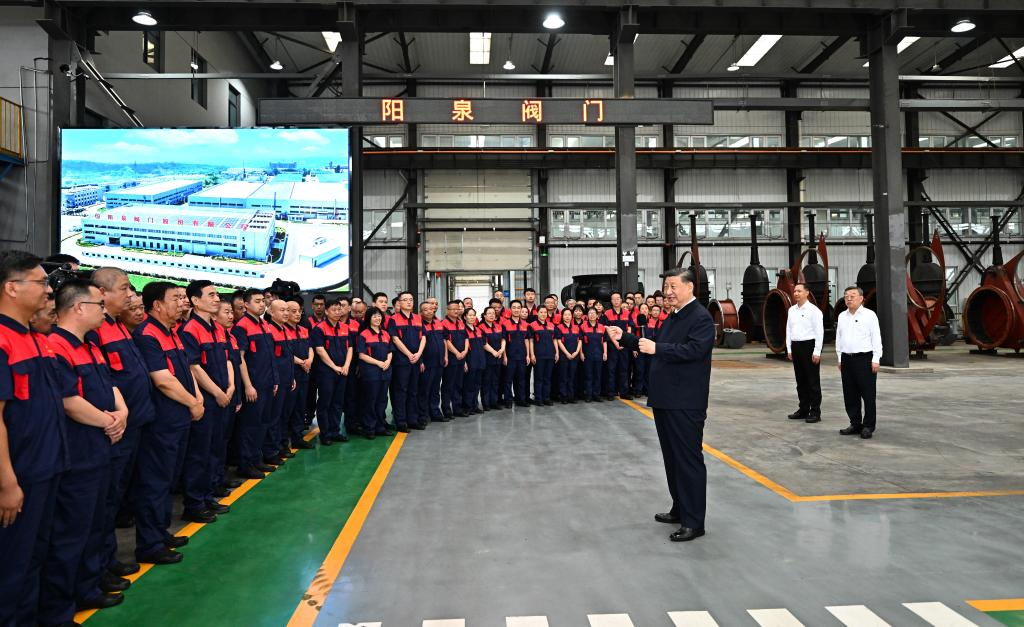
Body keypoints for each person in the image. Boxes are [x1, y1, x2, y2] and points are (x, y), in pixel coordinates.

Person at [40, 279, 127, 621]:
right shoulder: (56, 346)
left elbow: (111, 385)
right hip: (78, 452)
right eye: (99, 305)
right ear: (78, 307)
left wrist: (121, 414)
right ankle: (60, 607)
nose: (104, 311)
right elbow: (68, 401)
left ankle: (88, 587)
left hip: (101, 446)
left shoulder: (89, 345)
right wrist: (109, 421)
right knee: (70, 532)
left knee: (95, 522)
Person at [606, 268, 714, 543]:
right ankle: (680, 508)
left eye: (673, 286)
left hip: (685, 402)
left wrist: (658, 350)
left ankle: (694, 521)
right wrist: (626, 338)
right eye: (666, 286)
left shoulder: (700, 318)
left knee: (688, 460)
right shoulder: (674, 317)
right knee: (672, 459)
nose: (668, 292)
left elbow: (694, 351)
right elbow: (655, 344)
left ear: (689, 287)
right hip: (666, 399)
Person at [0, 251, 68, 627]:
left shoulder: (33, 338)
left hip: (46, 468)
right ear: (11, 287)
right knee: (11, 567)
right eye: (40, 283)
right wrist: (7, 482)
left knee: (33, 557)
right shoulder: (3, 340)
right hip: (20, 474)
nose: (47, 291)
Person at [133, 282, 203, 562]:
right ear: (157, 305)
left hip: (179, 419)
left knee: (167, 479)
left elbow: (184, 370)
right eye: (176, 298)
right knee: (154, 481)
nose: (182, 303)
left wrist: (196, 399)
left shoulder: (172, 332)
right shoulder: (147, 335)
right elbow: (163, 380)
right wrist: (193, 402)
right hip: (162, 422)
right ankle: (149, 544)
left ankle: (161, 533)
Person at [178, 281, 234, 524]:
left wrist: (230, 387)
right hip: (207, 399)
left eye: (217, 294)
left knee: (215, 449)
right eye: (211, 295)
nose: (216, 299)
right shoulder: (190, 329)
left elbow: (227, 359)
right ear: (195, 301)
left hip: (223, 395)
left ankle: (208, 495)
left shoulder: (217, 328)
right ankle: (194, 503)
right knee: (199, 453)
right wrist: (218, 393)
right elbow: (194, 367)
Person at [231, 289, 279, 478]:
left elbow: (270, 356)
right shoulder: (242, 326)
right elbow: (240, 358)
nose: (262, 304)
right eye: (257, 301)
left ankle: (257, 460)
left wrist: (275, 379)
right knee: (250, 426)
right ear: (246, 304)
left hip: (267, 383)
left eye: (262, 301)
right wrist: (249, 385)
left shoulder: (264, 325)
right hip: (254, 385)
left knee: (263, 423)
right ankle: (246, 464)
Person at [835, 286, 883, 439]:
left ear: (861, 298)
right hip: (846, 359)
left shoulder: (870, 315)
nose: (848, 298)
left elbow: (876, 338)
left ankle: (868, 426)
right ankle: (855, 423)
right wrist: (839, 357)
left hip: (864, 359)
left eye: (852, 295)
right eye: (846, 296)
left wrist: (876, 359)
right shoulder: (842, 316)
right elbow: (839, 339)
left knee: (868, 394)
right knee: (850, 393)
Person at [310, 298, 352, 445]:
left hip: (343, 370)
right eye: (333, 309)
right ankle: (325, 433)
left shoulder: (345, 328)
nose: (337, 312)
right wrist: (334, 367)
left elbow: (350, 348)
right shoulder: (319, 329)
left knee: (338, 403)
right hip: (326, 372)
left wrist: (346, 365)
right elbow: (320, 350)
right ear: (326, 311)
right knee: (325, 402)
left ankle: (335, 431)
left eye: (339, 309)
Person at [785, 283, 824, 423]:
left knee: (812, 381)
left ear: (807, 293)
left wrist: (817, 351)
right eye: (795, 291)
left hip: (809, 346)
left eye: (799, 291)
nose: (796, 293)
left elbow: (820, 332)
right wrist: (789, 348)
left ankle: (815, 411)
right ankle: (803, 409)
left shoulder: (814, 311)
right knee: (800, 381)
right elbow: (788, 330)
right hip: (796, 346)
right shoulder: (791, 310)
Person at [387, 291, 425, 432]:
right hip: (402, 361)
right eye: (405, 300)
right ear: (399, 303)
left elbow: (424, 338)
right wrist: (409, 354)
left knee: (413, 391)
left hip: (415, 359)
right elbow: (395, 339)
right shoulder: (394, 319)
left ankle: (412, 420)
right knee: (401, 391)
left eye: (411, 299)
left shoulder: (417, 318)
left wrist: (418, 354)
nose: (409, 302)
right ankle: (401, 422)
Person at [357, 309, 392, 439]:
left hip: (385, 371)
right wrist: (378, 363)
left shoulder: (386, 334)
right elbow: (361, 355)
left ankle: (380, 426)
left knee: (382, 400)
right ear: (368, 319)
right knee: (370, 400)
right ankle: (369, 428)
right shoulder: (364, 334)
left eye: (379, 316)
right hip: (371, 372)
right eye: (374, 316)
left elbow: (390, 351)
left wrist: (388, 361)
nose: (377, 319)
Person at [285, 299, 314, 450]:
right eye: (293, 311)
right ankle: (284, 440)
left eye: (299, 311)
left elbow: (310, 347)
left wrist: (309, 360)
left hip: (304, 372)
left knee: (300, 406)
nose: (297, 314)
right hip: (292, 373)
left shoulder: (303, 329)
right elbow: (285, 353)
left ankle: (298, 437)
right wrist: (302, 363)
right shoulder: (282, 331)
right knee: (288, 408)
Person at [602, 291, 634, 401]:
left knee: (624, 369)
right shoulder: (607, 313)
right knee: (611, 370)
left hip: (624, 346)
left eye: (618, 298)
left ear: (621, 300)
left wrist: (626, 342)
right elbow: (606, 329)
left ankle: (624, 392)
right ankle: (611, 392)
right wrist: (616, 343)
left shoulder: (626, 313)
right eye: (613, 299)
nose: (616, 301)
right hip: (612, 346)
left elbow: (629, 328)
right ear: (611, 301)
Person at [418, 302, 446, 423]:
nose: (429, 311)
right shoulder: (419, 325)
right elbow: (417, 345)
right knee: (424, 390)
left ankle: (435, 412)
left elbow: (443, 340)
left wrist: (445, 356)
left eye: (431, 309)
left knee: (435, 389)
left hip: (439, 362)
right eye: (425, 310)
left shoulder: (438, 323)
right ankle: (423, 415)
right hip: (427, 363)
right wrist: (421, 361)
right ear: (421, 312)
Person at [441, 300, 468, 419]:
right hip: (451, 358)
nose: (456, 311)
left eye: (458, 309)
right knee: (448, 385)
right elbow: (446, 341)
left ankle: (457, 408)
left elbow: (466, 338)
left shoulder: (461, 323)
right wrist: (457, 352)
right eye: (453, 309)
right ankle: (446, 409)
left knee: (458, 384)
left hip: (461, 358)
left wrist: (464, 352)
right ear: (448, 310)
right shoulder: (444, 324)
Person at [502, 300, 530, 408]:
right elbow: (503, 340)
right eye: (514, 307)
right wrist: (504, 356)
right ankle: (508, 400)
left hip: (522, 356)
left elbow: (526, 340)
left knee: (521, 379)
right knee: (508, 379)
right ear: (510, 309)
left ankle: (520, 399)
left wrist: (527, 355)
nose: (516, 309)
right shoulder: (505, 324)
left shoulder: (525, 325)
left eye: (518, 307)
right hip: (510, 356)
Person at [528, 306, 557, 406]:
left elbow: (554, 340)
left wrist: (556, 352)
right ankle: (538, 398)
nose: (543, 314)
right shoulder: (532, 325)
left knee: (547, 378)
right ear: (537, 313)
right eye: (541, 312)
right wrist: (532, 354)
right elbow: (531, 341)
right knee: (539, 378)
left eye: (545, 312)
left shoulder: (551, 325)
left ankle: (546, 398)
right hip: (539, 355)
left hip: (550, 354)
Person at [479, 307, 505, 410]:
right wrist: (493, 352)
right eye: (489, 313)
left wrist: (502, 350)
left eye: (493, 313)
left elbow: (503, 339)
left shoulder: (499, 326)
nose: (491, 315)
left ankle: (494, 402)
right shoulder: (481, 327)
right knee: (486, 381)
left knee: (495, 380)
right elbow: (483, 343)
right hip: (487, 358)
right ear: (484, 315)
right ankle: (486, 403)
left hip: (498, 357)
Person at [579, 307, 607, 403]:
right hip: (587, 355)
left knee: (598, 375)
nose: (592, 315)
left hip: (598, 354)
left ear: (597, 315)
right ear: (587, 315)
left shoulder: (602, 327)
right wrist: (581, 353)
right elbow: (580, 341)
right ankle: (588, 395)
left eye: (593, 313)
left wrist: (605, 353)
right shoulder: (583, 326)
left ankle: (596, 395)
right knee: (588, 375)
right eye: (590, 313)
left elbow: (605, 341)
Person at [633, 304, 661, 397]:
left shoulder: (653, 322)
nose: (644, 310)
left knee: (648, 371)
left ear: (648, 311)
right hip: (639, 349)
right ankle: (638, 390)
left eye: (646, 308)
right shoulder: (636, 321)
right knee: (639, 370)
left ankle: (647, 389)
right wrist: (634, 348)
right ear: (639, 310)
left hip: (650, 349)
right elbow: (633, 337)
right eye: (642, 308)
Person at [555, 308, 582, 404]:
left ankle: (571, 396)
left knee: (572, 376)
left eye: (569, 315)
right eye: (565, 315)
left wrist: (576, 352)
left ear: (572, 316)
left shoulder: (576, 327)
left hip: (575, 355)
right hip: (564, 356)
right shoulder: (559, 327)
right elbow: (558, 341)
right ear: (562, 316)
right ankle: (564, 396)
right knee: (563, 376)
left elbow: (580, 341)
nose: (567, 317)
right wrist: (566, 353)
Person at [462, 308, 485, 414]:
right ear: (465, 317)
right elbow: (463, 348)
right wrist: (465, 362)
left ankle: (475, 405)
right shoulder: (463, 330)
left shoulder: (479, 330)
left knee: (477, 384)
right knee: (469, 385)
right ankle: (468, 406)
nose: (472, 317)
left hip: (479, 361)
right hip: (470, 361)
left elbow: (483, 345)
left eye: (473, 315)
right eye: (469, 315)